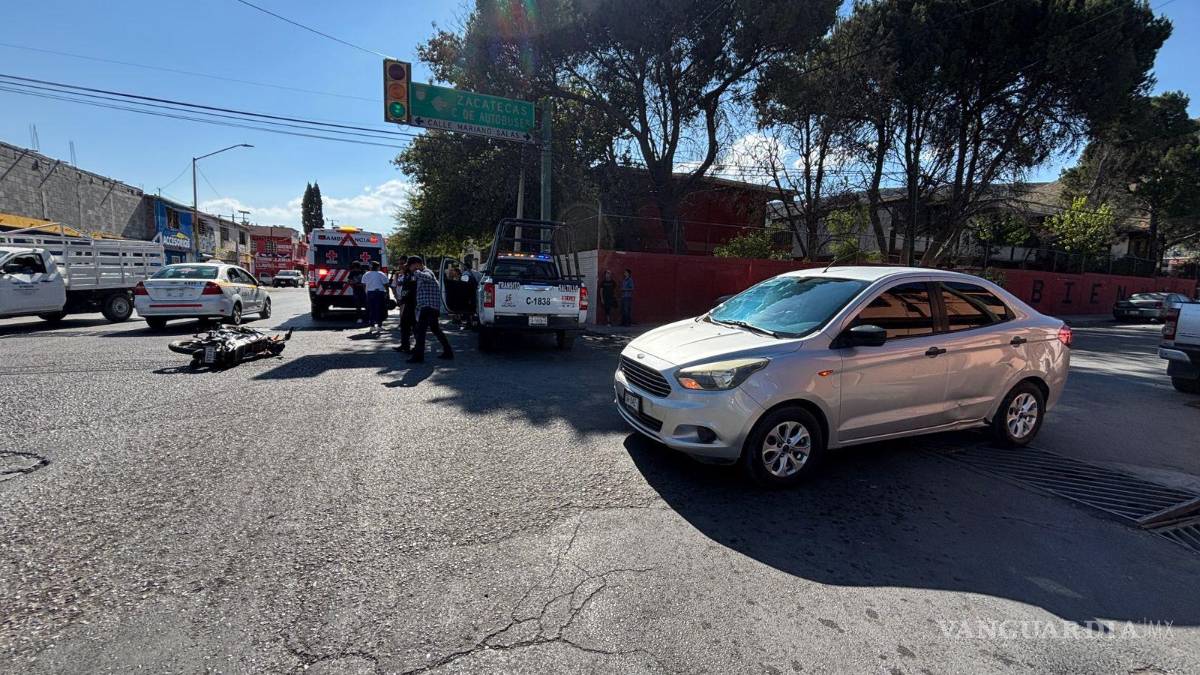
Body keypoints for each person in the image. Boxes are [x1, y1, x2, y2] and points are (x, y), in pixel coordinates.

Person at [405, 256, 453, 363]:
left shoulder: (427, 272)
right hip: (429, 307)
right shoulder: (421, 274)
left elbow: (428, 278)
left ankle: (418, 356)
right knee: (435, 330)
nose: (410, 268)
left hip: (428, 307)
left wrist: (416, 272)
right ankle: (448, 351)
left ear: (417, 264)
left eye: (411, 266)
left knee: (420, 331)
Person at [391, 261, 419, 353]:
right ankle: (405, 345)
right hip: (407, 303)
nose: (405, 267)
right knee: (404, 325)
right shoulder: (407, 275)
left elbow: (410, 289)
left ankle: (417, 347)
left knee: (414, 326)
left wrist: (403, 299)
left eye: (407, 265)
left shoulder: (413, 275)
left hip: (412, 303)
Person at [362, 260, 389, 333]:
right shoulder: (381, 274)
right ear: (378, 267)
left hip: (370, 293)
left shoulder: (366, 274)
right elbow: (386, 284)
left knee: (371, 309)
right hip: (379, 293)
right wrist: (387, 292)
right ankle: (379, 326)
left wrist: (366, 292)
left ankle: (372, 326)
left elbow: (364, 284)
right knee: (379, 309)